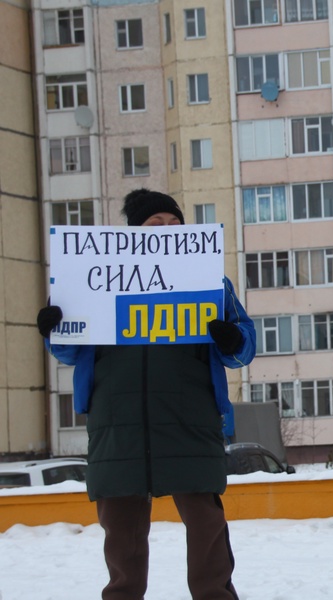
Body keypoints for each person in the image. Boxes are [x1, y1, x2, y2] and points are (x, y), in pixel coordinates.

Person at [36, 189, 256, 600]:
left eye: (176, 224)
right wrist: (53, 326)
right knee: (121, 532)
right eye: (157, 225)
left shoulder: (209, 280)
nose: (169, 232)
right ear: (135, 233)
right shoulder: (96, 277)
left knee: (206, 526)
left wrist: (230, 337)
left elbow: (244, 346)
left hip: (190, 417)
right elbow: (69, 348)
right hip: (117, 422)